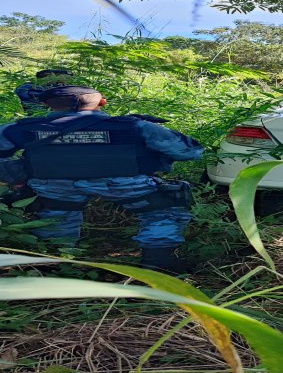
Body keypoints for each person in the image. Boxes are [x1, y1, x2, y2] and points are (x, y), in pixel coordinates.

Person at [0, 86, 204, 272]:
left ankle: (55, 263)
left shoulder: (20, 129)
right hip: (125, 184)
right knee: (165, 206)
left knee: (55, 215)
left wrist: (16, 176)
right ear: (102, 102)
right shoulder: (134, 126)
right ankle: (159, 261)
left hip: (54, 186)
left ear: (46, 104)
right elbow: (189, 152)